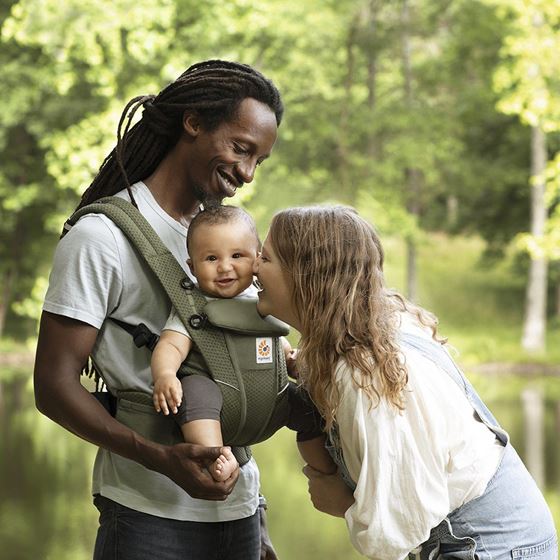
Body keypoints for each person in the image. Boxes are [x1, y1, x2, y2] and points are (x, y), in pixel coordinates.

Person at [34, 60, 285, 560]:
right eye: (240, 149)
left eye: (259, 160)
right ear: (193, 123)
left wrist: (254, 517)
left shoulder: (228, 240)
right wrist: (159, 458)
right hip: (147, 519)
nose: (247, 173)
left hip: (240, 511)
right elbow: (53, 388)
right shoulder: (100, 239)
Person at [253, 205, 558, 560]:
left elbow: (397, 529)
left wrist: (345, 505)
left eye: (266, 258)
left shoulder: (366, 377)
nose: (254, 267)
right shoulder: (371, 331)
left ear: (306, 274)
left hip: (495, 548)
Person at [150, 204, 334, 482]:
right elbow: (171, 345)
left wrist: (291, 361)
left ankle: (323, 471)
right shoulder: (193, 306)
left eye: (237, 255)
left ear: (257, 260)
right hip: (219, 403)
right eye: (211, 258)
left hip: (271, 399)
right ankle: (217, 457)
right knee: (195, 392)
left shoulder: (263, 300)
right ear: (192, 266)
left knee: (312, 410)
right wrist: (165, 374)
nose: (225, 267)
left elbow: (272, 340)